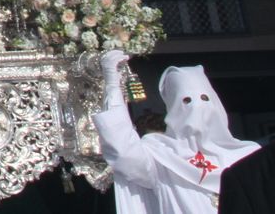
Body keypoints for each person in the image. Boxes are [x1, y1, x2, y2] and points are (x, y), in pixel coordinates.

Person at [96, 50, 262, 214]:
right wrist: (113, 87)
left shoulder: (248, 155)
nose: (197, 107)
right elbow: (122, 151)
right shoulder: (160, 155)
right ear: (173, 109)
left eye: (204, 99)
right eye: (186, 101)